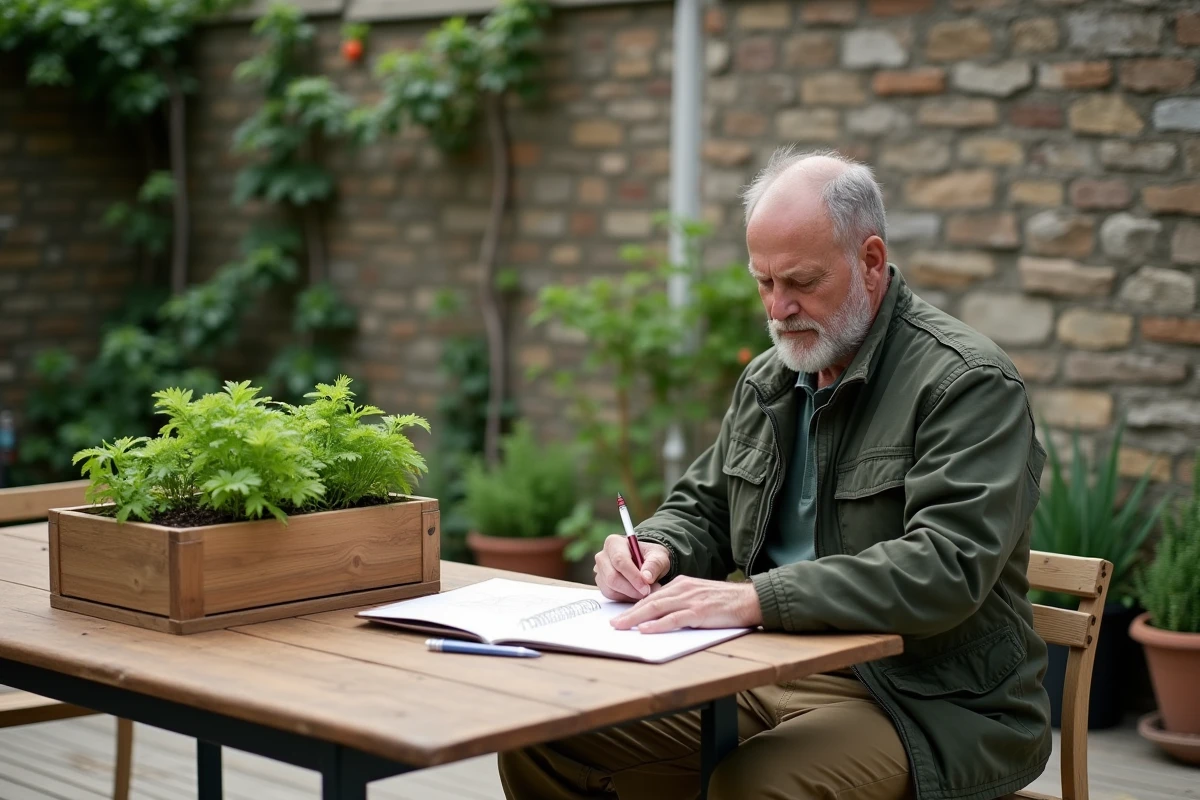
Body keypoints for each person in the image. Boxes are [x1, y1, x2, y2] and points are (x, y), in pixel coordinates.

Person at [499, 148, 1050, 800]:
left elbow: (947, 567)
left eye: (801, 282)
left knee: (755, 787)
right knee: (544, 741)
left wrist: (755, 599)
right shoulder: (771, 380)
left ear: (870, 262)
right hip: (769, 666)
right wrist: (650, 550)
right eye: (764, 282)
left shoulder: (965, 382)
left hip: (930, 701)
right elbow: (705, 506)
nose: (778, 307)